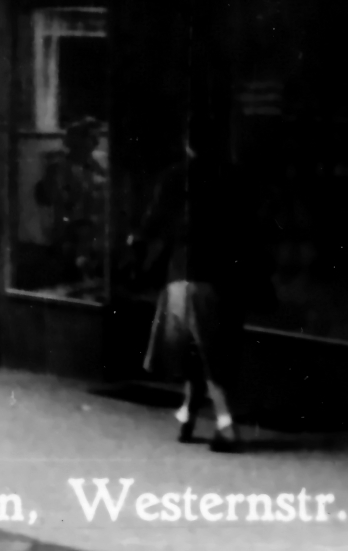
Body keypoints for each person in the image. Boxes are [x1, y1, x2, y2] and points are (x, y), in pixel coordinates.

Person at [131, 120, 249, 452]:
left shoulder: (175, 176)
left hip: (186, 274)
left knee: (195, 351)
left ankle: (223, 427)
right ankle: (192, 417)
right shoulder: (234, 176)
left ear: (187, 145)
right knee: (211, 349)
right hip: (227, 277)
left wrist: (138, 241)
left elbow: (153, 220)